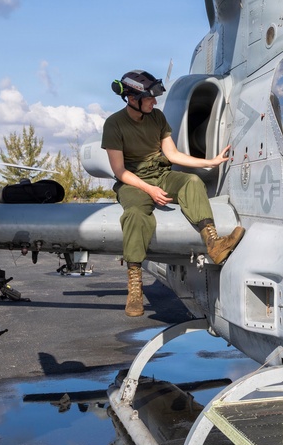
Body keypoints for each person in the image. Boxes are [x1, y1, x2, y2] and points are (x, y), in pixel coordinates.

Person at [102, 70, 244, 317]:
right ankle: (135, 285)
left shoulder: (157, 118)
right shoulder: (114, 124)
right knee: (136, 215)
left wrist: (210, 161)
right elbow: (120, 170)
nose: (155, 102)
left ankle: (213, 243)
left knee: (191, 181)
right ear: (133, 98)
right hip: (134, 182)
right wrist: (150, 190)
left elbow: (173, 155)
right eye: (150, 98)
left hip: (162, 175)